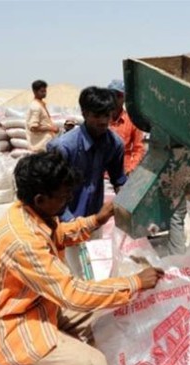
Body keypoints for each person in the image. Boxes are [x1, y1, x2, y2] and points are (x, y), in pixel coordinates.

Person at [0, 151, 164, 365]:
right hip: (10, 324)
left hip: (36, 305)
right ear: (41, 199)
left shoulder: (31, 213)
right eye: (63, 197)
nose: (68, 201)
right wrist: (134, 282)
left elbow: (58, 236)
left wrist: (95, 220)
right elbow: (72, 294)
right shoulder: (23, 240)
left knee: (106, 311)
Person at [47, 86, 127, 276]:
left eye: (107, 115)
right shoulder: (64, 148)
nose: (103, 121)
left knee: (93, 272)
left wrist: (127, 206)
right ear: (84, 113)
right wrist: (69, 221)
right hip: (66, 221)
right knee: (72, 276)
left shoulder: (114, 144)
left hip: (94, 220)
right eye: (97, 115)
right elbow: (51, 190)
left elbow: (119, 180)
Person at [107, 79, 146, 175]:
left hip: (122, 176)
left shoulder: (132, 121)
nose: (114, 99)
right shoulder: (99, 119)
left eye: (118, 95)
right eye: (111, 94)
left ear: (124, 98)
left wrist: (131, 168)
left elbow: (139, 148)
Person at [26, 80, 59, 152]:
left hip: (45, 144)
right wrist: (51, 128)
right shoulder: (36, 107)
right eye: (42, 91)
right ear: (34, 92)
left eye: (45, 91)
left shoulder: (40, 104)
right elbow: (33, 128)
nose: (44, 93)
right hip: (40, 145)